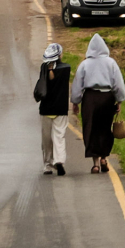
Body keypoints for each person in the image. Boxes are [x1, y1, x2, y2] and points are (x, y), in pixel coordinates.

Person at [70, 33, 125, 174]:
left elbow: (77, 85)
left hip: (90, 98)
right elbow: (118, 84)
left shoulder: (84, 64)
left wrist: (75, 102)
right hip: (107, 98)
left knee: (90, 128)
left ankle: (95, 163)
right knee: (105, 128)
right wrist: (119, 100)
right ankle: (104, 157)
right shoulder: (111, 63)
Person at [33, 42, 71, 176]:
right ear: (60, 55)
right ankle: (59, 160)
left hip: (46, 109)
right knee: (59, 136)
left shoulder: (44, 68)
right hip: (61, 109)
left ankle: (47, 165)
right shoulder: (66, 69)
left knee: (46, 139)